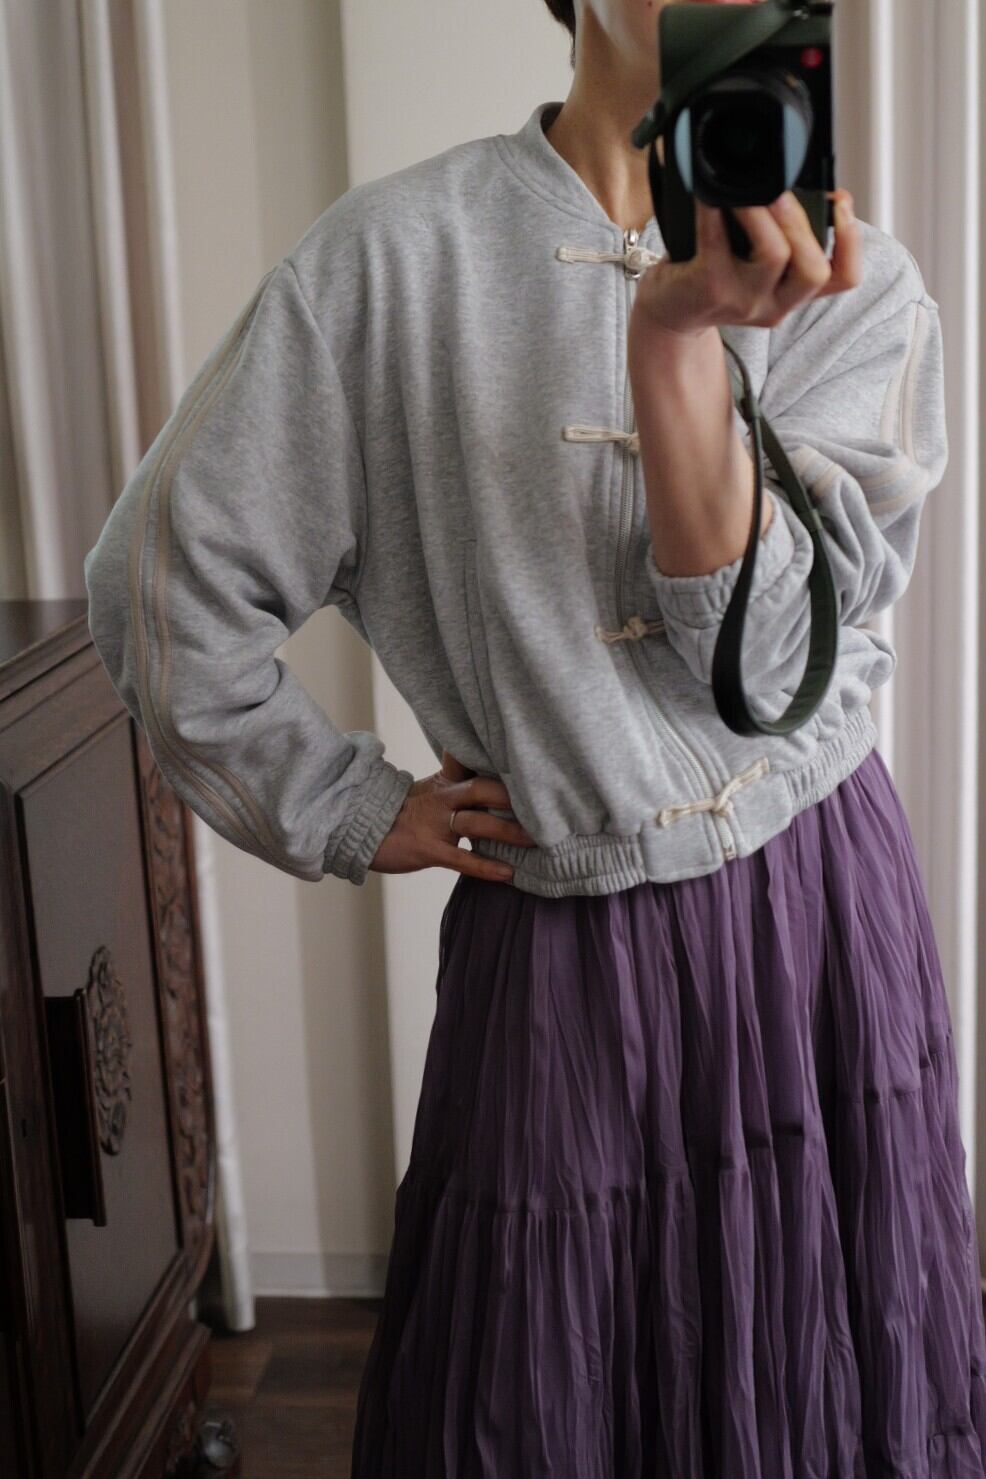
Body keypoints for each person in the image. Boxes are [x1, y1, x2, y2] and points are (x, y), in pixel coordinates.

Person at [83, 0, 986, 1472]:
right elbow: (159, 587)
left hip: (815, 906)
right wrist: (345, 802)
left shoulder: (847, 278)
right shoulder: (388, 263)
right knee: (543, 1379)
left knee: (825, 1357)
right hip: (565, 951)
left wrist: (680, 339)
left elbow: (763, 665)